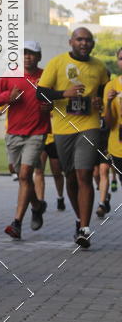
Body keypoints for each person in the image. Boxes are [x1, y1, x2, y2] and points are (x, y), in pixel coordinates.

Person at [37, 28, 109, 248]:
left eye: (88, 40)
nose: (84, 43)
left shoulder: (99, 67)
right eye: (80, 39)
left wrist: (100, 102)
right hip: (62, 128)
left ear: (93, 44)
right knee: (70, 177)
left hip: (89, 126)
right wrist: (63, 94)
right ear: (71, 42)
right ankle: (79, 219)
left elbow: (105, 93)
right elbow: (39, 92)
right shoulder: (57, 63)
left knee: (84, 174)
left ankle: (85, 229)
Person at [0, 41, 52, 239]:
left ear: (39, 57)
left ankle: (16, 223)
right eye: (24, 53)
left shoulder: (46, 77)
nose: (27, 57)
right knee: (22, 176)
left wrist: (50, 106)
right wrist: (9, 97)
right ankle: (37, 205)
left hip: (37, 132)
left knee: (25, 175)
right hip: (14, 134)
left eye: (32, 54)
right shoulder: (10, 75)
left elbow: (57, 100)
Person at [102, 47, 122, 210]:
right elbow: (109, 123)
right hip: (118, 148)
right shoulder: (111, 86)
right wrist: (108, 103)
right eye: (121, 58)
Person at [34, 129, 65, 212]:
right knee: (39, 171)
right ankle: (40, 201)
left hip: (54, 139)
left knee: (57, 172)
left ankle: (60, 197)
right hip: (39, 138)